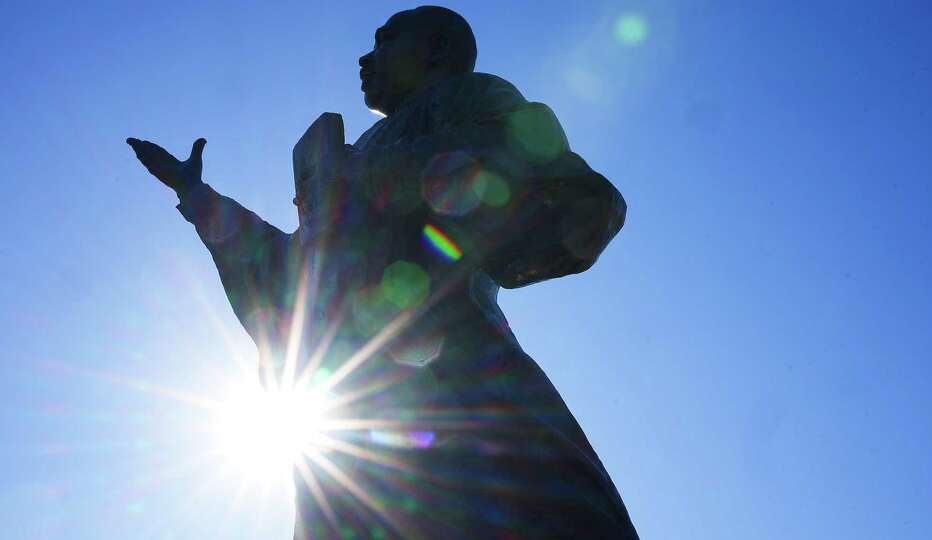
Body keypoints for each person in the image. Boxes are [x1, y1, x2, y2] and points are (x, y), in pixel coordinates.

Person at [128, 6, 637, 538]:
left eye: (386, 41)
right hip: (345, 404)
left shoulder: (467, 98)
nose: (366, 58)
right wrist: (199, 198)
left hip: (452, 370)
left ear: (436, 51)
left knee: (519, 505)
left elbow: (524, 167)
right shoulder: (350, 157)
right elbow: (294, 272)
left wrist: (362, 178)